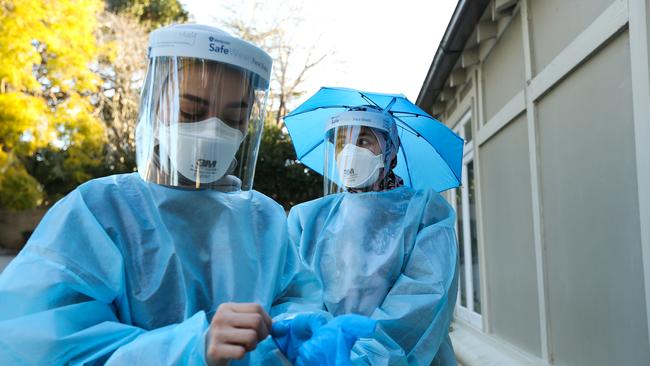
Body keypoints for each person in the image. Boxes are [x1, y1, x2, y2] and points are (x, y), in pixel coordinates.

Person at [0, 24, 328, 365]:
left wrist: (296, 332)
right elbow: (42, 343)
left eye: (234, 118)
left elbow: (295, 301)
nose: (213, 130)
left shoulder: (265, 219)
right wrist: (188, 349)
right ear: (155, 107)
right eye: (190, 111)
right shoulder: (99, 209)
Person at [287, 106, 459, 365]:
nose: (349, 153)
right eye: (341, 143)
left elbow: (422, 301)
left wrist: (362, 359)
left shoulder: (425, 212)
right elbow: (296, 297)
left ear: (390, 152)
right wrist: (321, 350)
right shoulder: (308, 217)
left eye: (364, 140)